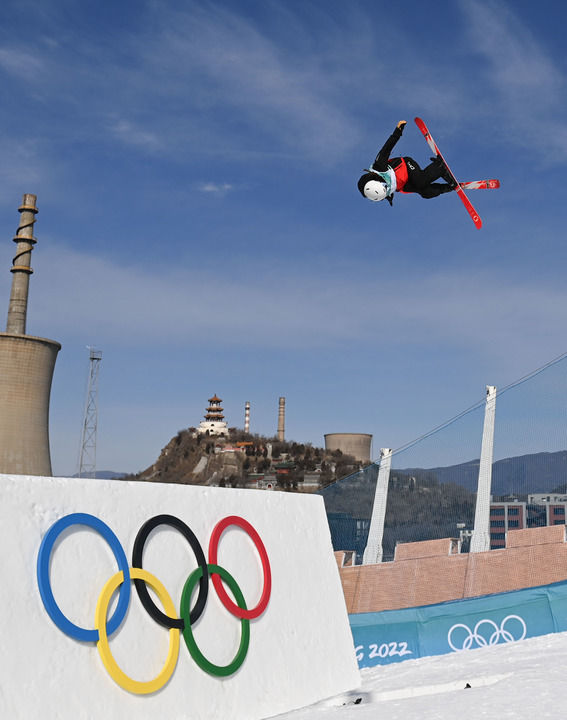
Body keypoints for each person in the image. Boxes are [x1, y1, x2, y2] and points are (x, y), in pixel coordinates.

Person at [357, 120, 456, 205]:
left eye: (384, 185)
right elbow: (383, 194)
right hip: (404, 183)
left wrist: (398, 131)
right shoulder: (377, 194)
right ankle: (449, 187)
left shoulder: (379, 166)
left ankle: (439, 167)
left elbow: (386, 148)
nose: (386, 186)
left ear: (377, 181)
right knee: (425, 192)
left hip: (406, 166)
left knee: (420, 182)